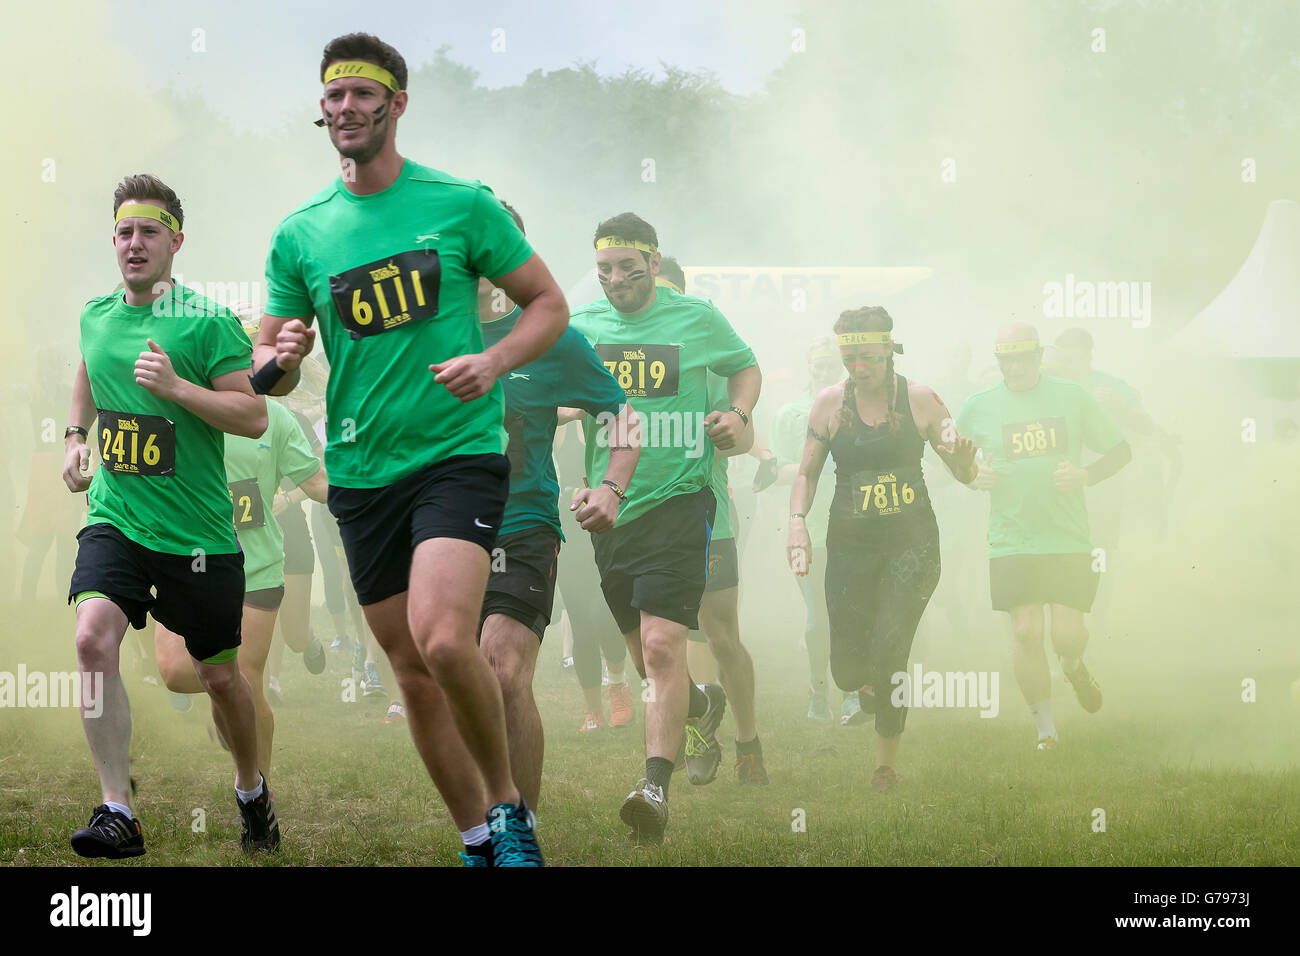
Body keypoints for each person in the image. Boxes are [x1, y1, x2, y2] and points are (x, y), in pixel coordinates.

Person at [251, 34, 568, 866]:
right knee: (410, 668)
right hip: (359, 473)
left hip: (455, 455)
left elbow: (548, 303)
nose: (346, 108)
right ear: (321, 110)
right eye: (335, 96)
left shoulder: (460, 203)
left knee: (440, 637)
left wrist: (494, 360)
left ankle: (508, 813)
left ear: (396, 104)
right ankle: (474, 840)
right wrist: (277, 362)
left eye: (364, 94)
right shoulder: (301, 233)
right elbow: (266, 371)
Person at [64, 174, 274, 857]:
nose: (134, 243)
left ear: (175, 241)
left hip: (199, 535)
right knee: (93, 638)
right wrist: (74, 440)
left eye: (149, 231)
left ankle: (250, 790)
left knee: (219, 677)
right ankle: (116, 809)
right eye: (124, 231)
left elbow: (251, 413)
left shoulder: (207, 321)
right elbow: (90, 370)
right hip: (117, 516)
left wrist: (179, 389)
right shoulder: (97, 314)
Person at [568, 213, 761, 842]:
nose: (615, 280)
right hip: (611, 509)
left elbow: (746, 366)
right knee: (650, 663)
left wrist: (737, 412)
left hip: (682, 499)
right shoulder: (584, 326)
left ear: (654, 262)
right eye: (604, 270)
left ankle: (654, 785)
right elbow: (559, 391)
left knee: (660, 648)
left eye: (628, 267)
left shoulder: (696, 317)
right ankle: (701, 704)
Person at [476, 200, 638, 812]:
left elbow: (621, 414)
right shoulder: (424, 335)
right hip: (442, 536)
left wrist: (611, 487)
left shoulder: (549, 337)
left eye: (500, 246)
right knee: (466, 685)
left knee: (503, 671)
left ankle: (518, 829)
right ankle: (486, 819)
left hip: (523, 524)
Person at [787, 307, 977, 791]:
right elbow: (806, 472)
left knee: (892, 650)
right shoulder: (829, 405)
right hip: (849, 545)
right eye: (849, 357)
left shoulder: (923, 400)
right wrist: (796, 524)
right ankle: (865, 681)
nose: (858, 366)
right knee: (848, 669)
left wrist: (967, 464)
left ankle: (884, 765)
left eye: (867, 356)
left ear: (890, 349)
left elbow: (962, 470)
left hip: (911, 546)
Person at [155, 327, 329, 775]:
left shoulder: (276, 419)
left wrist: (375, 479)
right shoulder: (190, 408)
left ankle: (257, 793)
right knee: (177, 671)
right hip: (193, 563)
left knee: (246, 678)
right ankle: (226, 699)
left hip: (258, 567)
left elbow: (317, 483)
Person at [956, 323, 1131, 751]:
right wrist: (975, 475)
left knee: (1066, 635)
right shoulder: (979, 406)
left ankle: (1073, 665)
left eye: (1022, 358)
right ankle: (1046, 730)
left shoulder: (1071, 396)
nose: (1014, 368)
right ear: (998, 363)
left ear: (1038, 357)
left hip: (1067, 537)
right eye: (1005, 361)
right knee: (1026, 632)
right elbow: (954, 461)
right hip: (1013, 538)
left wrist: (1085, 474)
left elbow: (1121, 451)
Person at [657, 256, 768, 784]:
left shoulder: (708, 349)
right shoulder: (621, 349)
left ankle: (749, 741)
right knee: (661, 642)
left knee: (719, 636)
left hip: (710, 517)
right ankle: (699, 726)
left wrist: (733, 428)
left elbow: (744, 438)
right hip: (641, 518)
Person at [770, 335, 859, 723]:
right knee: (818, 617)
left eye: (829, 363)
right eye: (816, 364)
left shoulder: (857, 405)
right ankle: (818, 692)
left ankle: (852, 695)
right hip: (807, 529)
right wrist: (820, 462)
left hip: (853, 528)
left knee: (850, 612)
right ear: (808, 367)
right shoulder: (790, 413)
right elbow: (778, 471)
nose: (823, 369)